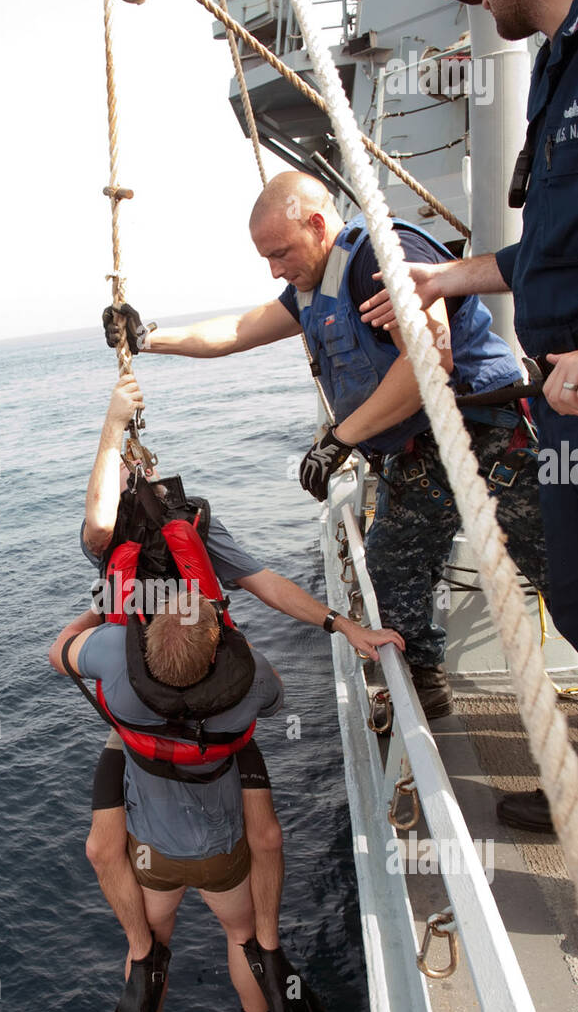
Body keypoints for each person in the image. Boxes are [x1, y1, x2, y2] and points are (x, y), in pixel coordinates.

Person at [108, 170, 551, 725]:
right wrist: (147, 337)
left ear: (318, 225)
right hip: (417, 456)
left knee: (559, 569)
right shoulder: (313, 283)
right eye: (266, 258)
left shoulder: (382, 256)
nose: (275, 269)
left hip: (482, 438)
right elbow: (243, 329)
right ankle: (425, 686)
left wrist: (339, 439)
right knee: (392, 575)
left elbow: (429, 363)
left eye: (280, 252)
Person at [48, 371, 403, 969]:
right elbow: (270, 592)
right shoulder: (203, 543)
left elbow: (95, 537)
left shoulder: (111, 571)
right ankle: (264, 951)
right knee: (260, 842)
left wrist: (111, 429)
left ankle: (144, 955)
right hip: (221, 710)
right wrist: (343, 627)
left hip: (136, 718)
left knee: (108, 849)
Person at [360, 0, 578, 832]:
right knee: (570, 597)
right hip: (556, 407)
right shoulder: (555, 70)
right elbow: (547, 255)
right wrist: (451, 279)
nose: (482, 3)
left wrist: (339, 438)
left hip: (540, 407)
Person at [59, 591, 351, 1012]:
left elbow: (58, 654)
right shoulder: (249, 684)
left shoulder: (111, 661)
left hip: (154, 860)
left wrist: (101, 610)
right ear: (216, 651)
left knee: (150, 948)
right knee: (243, 937)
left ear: (145, 646)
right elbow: (275, 704)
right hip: (221, 856)